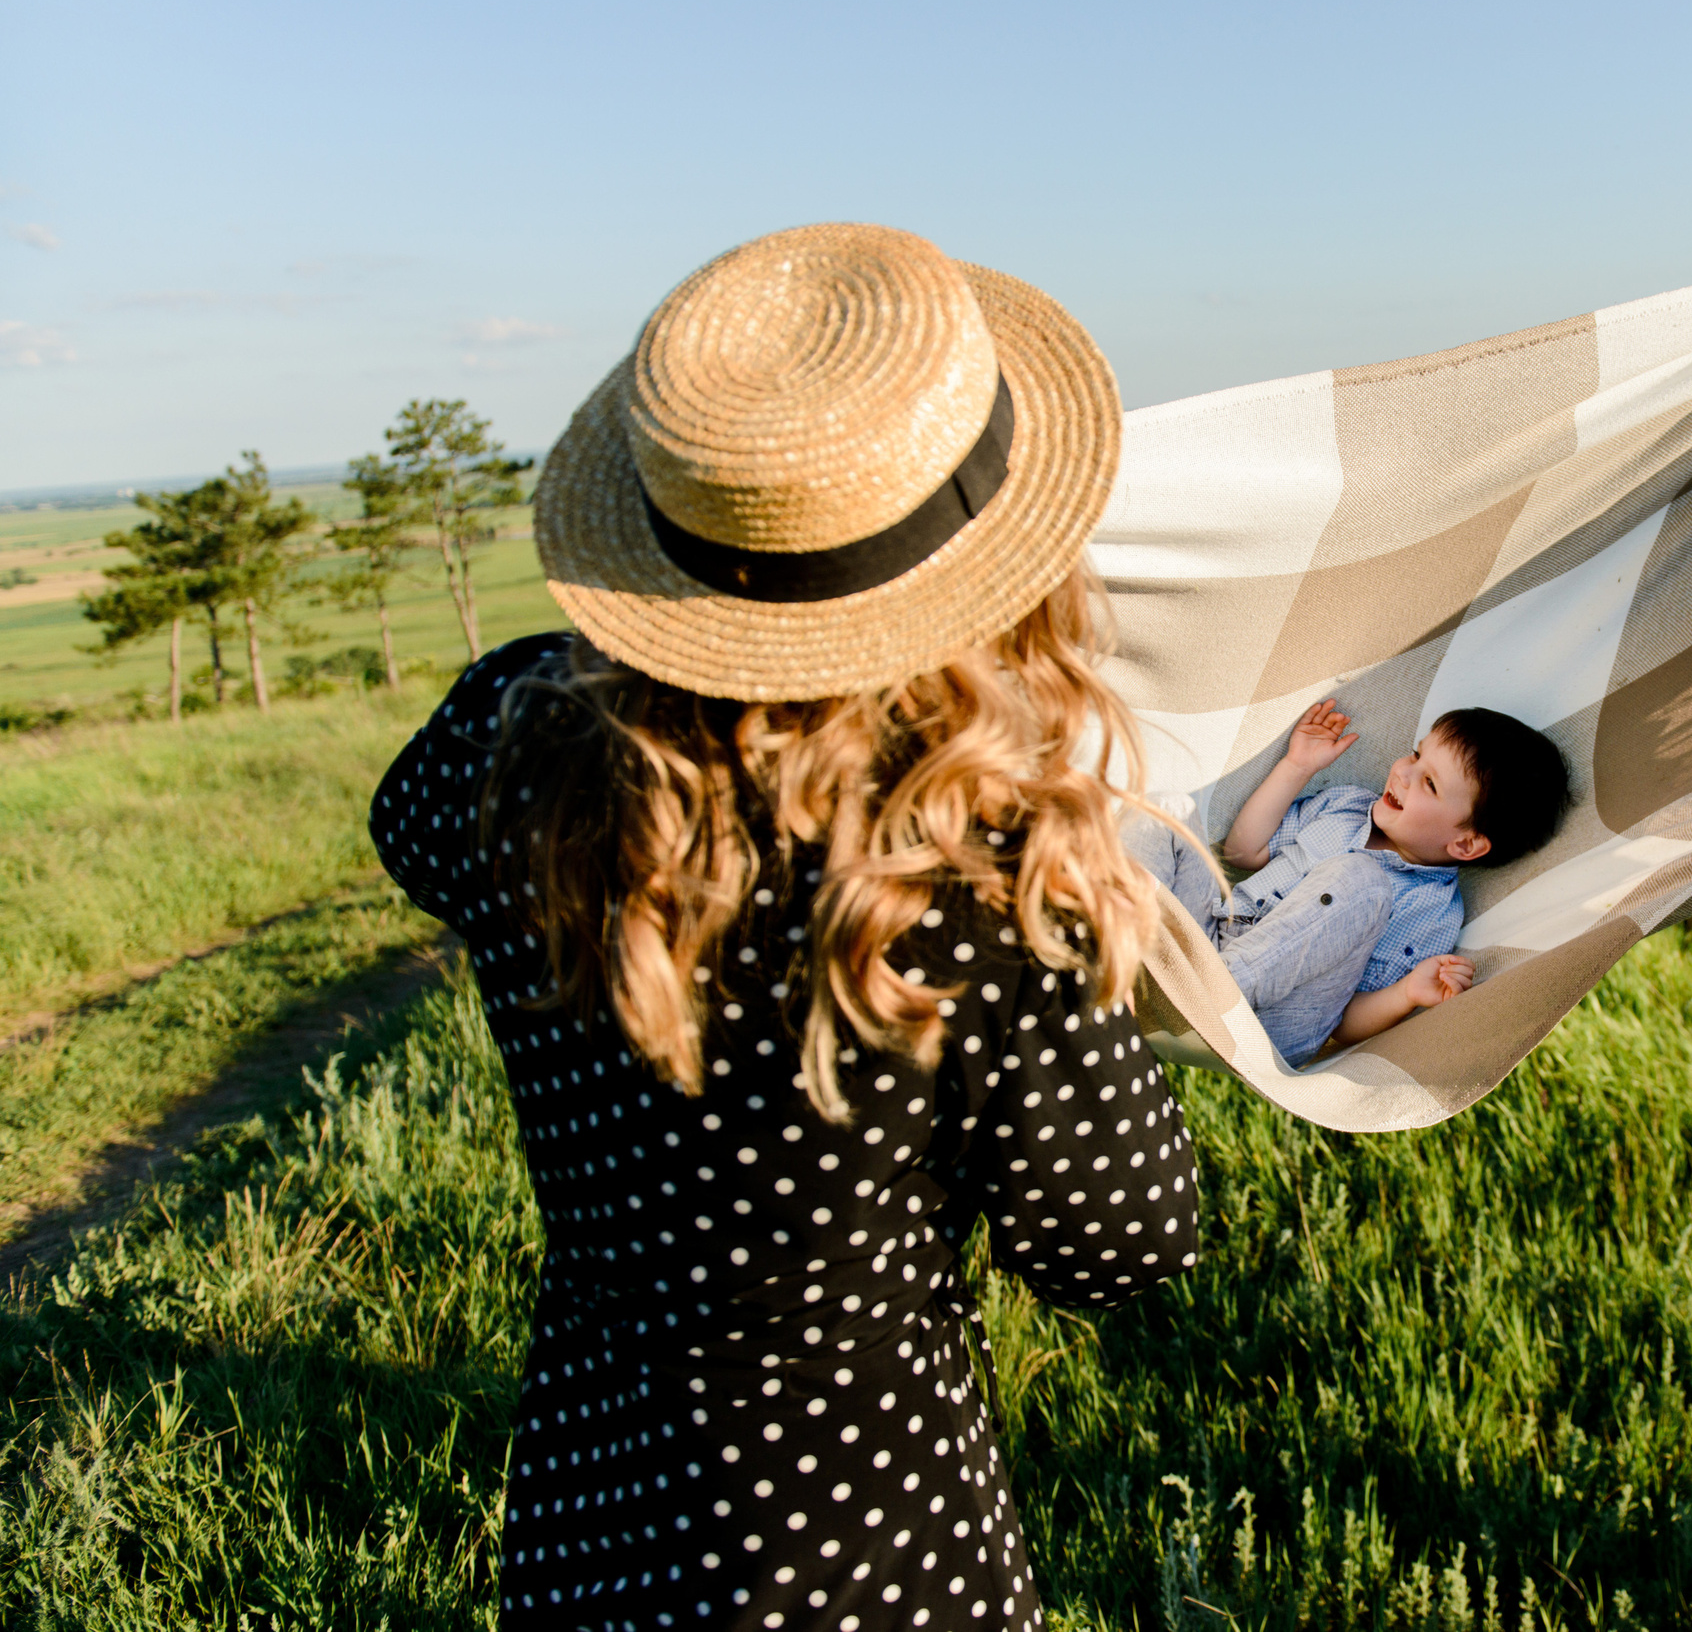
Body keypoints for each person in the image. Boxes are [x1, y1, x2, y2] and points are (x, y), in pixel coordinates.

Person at [371, 223, 1200, 1632]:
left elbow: (411, 836)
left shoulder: (501, 743)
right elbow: (1118, 1241)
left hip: (590, 1523)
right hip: (875, 1555)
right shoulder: (978, 882)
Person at [1124, 699, 1569, 1061]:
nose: (1402, 771)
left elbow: (1341, 1022)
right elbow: (1243, 851)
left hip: (1268, 1021)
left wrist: (1405, 994)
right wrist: (1297, 767)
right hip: (1209, 939)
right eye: (1416, 754)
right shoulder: (1347, 806)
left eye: (1429, 783)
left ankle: (1195, 993)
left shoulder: (1430, 912)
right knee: (1167, 809)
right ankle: (1115, 942)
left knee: (1364, 878)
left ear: (1467, 845)